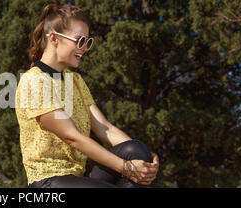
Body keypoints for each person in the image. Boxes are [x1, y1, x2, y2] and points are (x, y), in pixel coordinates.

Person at [15, 4, 159, 188]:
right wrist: (126, 168)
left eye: (87, 42)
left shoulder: (75, 81)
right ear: (53, 38)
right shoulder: (33, 82)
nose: (84, 48)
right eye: (79, 41)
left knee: (135, 149)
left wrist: (147, 158)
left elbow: (105, 129)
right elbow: (72, 137)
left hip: (77, 179)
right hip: (47, 183)